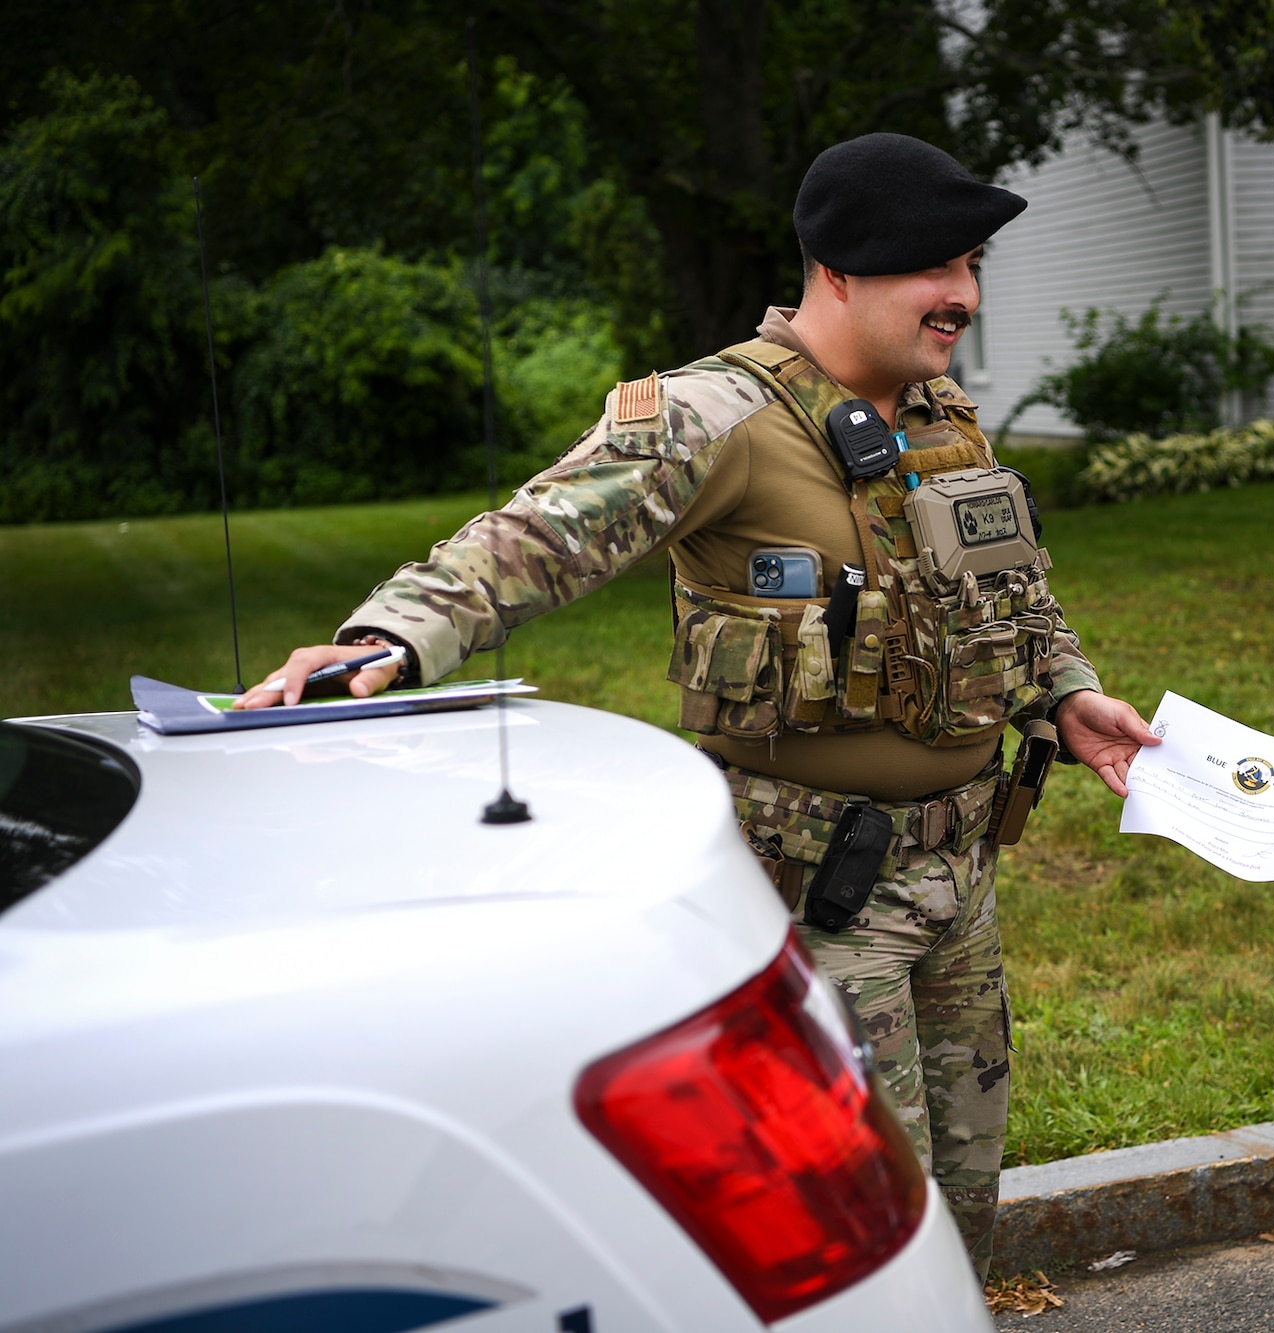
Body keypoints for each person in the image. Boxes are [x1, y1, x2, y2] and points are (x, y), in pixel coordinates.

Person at [237, 131, 1158, 1278]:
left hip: (962, 882)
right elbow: (536, 536)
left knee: (958, 1228)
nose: (963, 295)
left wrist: (1063, 694)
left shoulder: (938, 413)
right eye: (939, 267)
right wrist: (386, 637)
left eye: (972, 266)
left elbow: (1004, 594)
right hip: (824, 899)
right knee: (861, 1245)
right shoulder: (710, 415)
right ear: (838, 269)